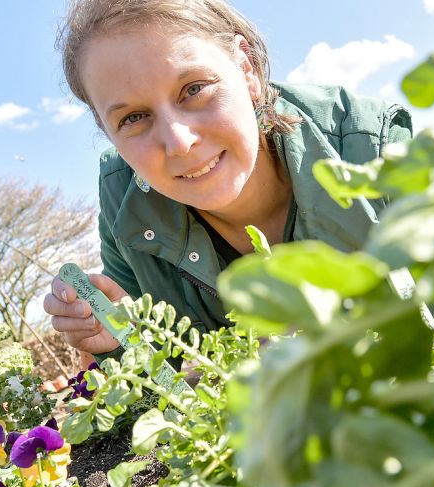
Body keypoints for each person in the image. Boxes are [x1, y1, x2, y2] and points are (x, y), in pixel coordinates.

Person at [44, 0, 413, 359]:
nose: (179, 143)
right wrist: (121, 342)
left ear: (247, 69)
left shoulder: (372, 146)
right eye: (134, 118)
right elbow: (155, 384)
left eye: (194, 89)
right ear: (107, 133)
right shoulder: (121, 200)